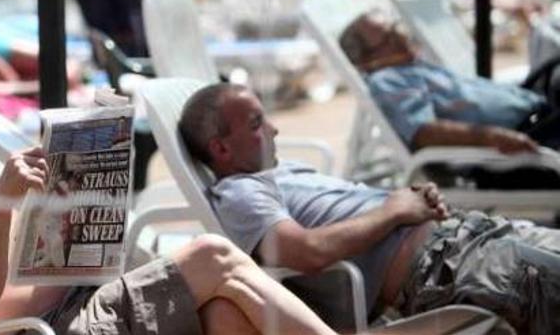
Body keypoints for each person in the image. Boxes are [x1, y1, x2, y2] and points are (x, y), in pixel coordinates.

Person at [0, 47, 336, 335]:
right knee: (213, 255)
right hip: (55, 327)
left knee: (224, 314)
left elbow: (17, 253)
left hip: (83, 297)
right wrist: (1, 204)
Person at [179, 83, 560, 334]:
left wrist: (412, 200)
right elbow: (306, 251)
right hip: (448, 268)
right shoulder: (240, 193)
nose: (275, 129)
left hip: (472, 238)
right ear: (221, 149)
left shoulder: (279, 171)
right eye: (257, 123)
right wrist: (394, 211)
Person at [338, 10, 560, 155]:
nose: (402, 35)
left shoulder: (413, 67)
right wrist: (492, 136)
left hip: (541, 114)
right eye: (390, 36)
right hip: (525, 139)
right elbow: (423, 132)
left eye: (397, 27)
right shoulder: (389, 79)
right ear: (367, 59)